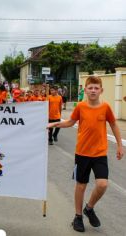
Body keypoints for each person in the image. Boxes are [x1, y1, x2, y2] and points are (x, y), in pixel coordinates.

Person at [48, 76, 124, 232]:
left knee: (102, 184)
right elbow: (70, 122)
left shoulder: (106, 107)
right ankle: (78, 216)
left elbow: (114, 124)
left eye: (96, 88)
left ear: (101, 90)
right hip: (82, 153)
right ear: (86, 90)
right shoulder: (81, 107)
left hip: (100, 153)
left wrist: (119, 145)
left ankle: (89, 208)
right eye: (90, 88)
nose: (93, 90)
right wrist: (54, 123)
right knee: (81, 185)